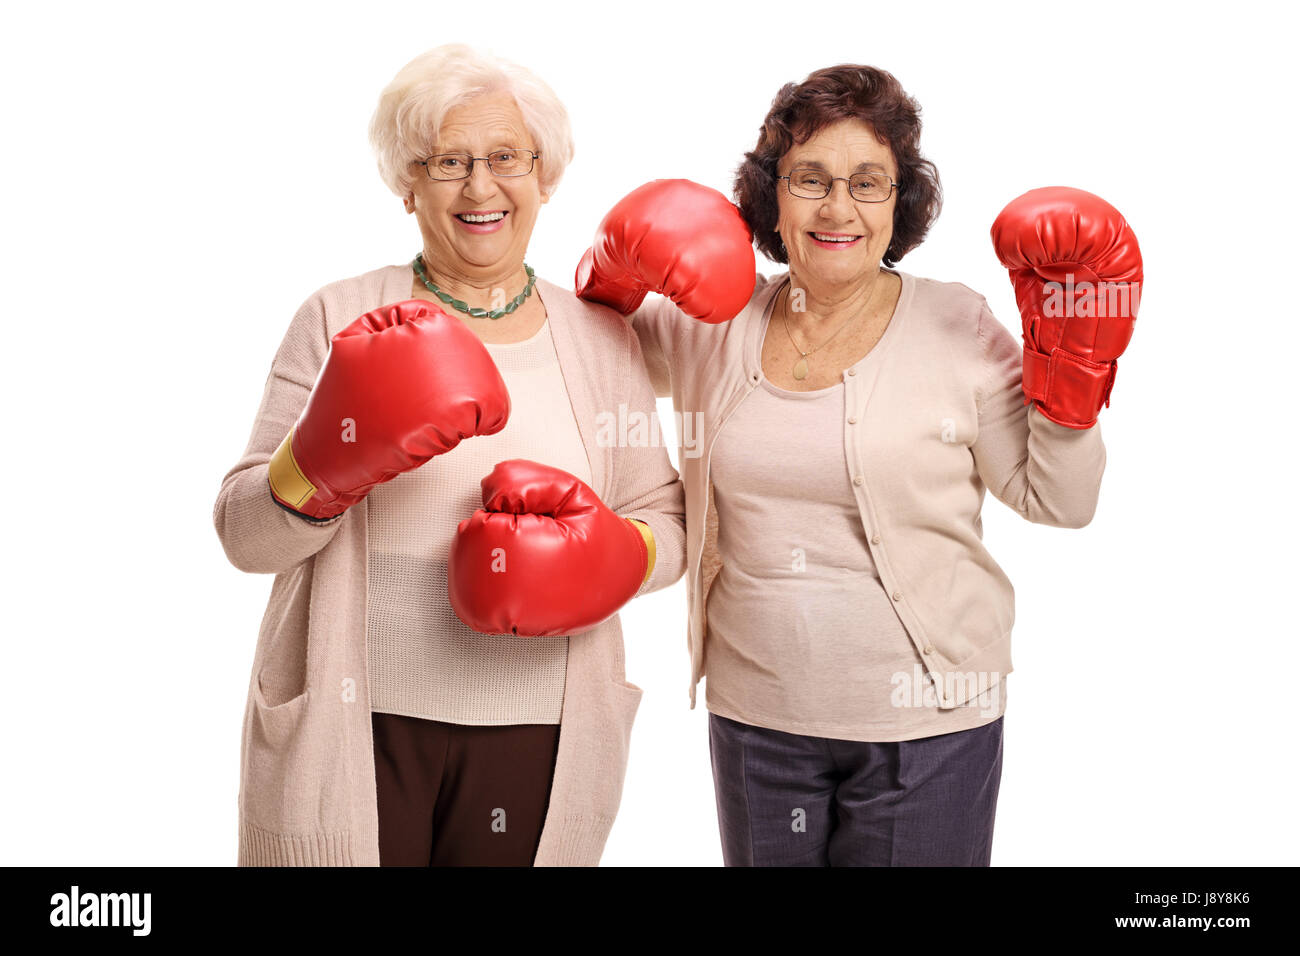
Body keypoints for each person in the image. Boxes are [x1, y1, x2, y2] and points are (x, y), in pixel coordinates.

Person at [576, 63, 1141, 866]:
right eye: (811, 178)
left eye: (868, 182)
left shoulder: (956, 324)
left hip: (927, 729)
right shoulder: (714, 321)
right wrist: (607, 269)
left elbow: (1058, 500)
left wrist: (1075, 375)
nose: (838, 207)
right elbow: (590, 356)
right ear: (772, 195)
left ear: (898, 202)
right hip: (757, 721)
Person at [213, 43, 686, 867]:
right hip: (355, 727)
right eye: (446, 162)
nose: (479, 186)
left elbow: (670, 521)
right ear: (407, 184)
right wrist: (322, 467)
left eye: (506, 157)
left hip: (538, 731)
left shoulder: (603, 339)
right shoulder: (339, 316)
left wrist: (619, 553)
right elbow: (243, 538)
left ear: (546, 174)